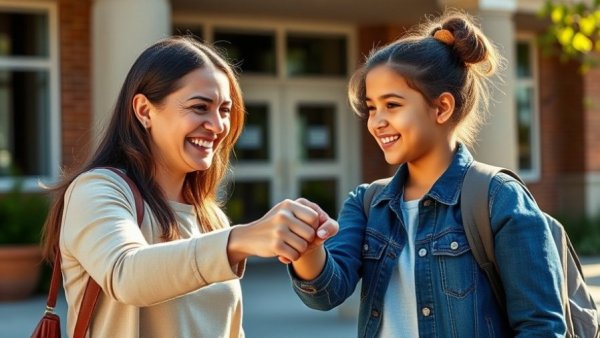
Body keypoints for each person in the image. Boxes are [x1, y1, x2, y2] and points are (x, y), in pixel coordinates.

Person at [288, 10, 566, 337]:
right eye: (371, 107)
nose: (376, 121)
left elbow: (541, 327)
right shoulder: (367, 203)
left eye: (392, 105)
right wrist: (307, 249)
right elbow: (326, 294)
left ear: (442, 107)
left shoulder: (498, 198)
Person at [41, 36, 328, 338]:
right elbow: (125, 274)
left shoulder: (210, 217)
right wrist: (241, 239)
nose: (218, 126)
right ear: (144, 110)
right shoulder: (99, 190)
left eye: (225, 110)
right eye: (200, 107)